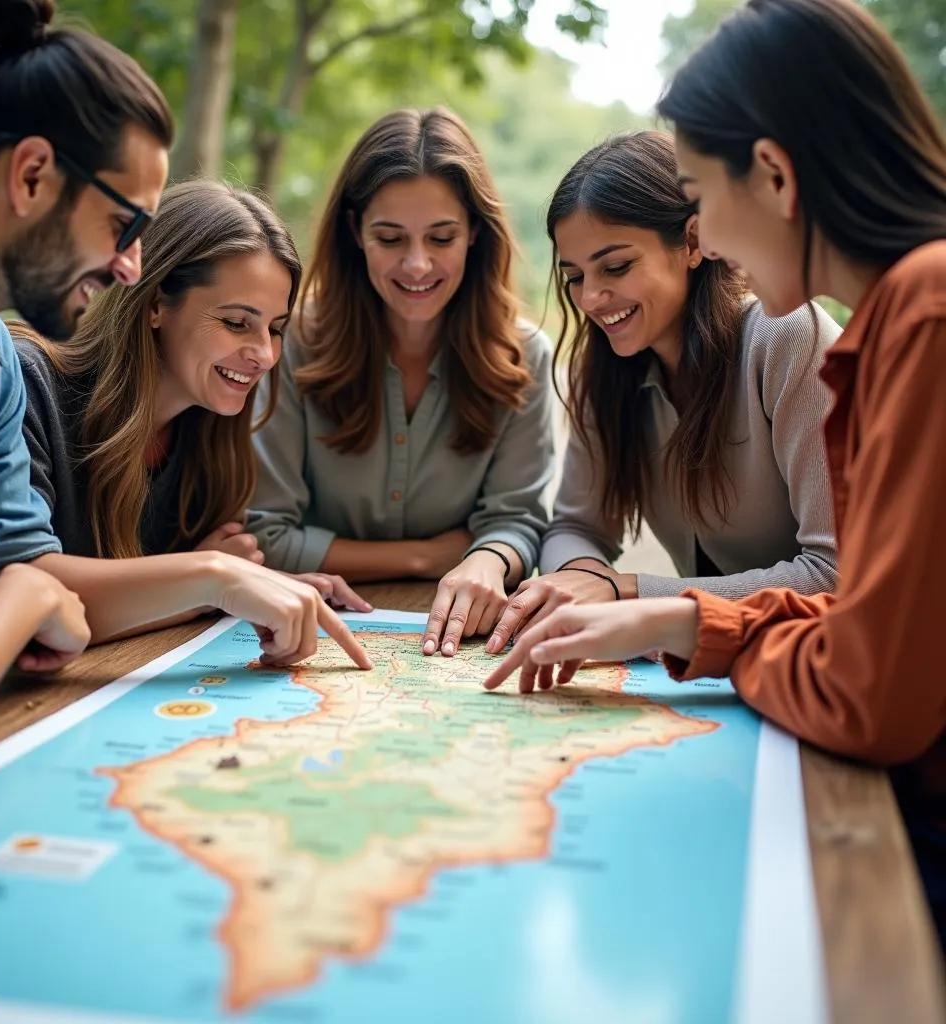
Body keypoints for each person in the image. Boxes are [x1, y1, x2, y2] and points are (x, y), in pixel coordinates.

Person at [484, 0, 946, 947]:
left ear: (771, 175)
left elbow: (869, 680)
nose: (707, 233)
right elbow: (872, 638)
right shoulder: (902, 317)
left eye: (699, 196)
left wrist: (692, 625)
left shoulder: (888, 326)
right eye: (574, 277)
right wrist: (642, 603)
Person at [0, 0, 366, 747]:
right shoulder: (22, 373)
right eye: (124, 224)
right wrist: (35, 590)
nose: (130, 264)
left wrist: (31, 590)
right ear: (31, 175)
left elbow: (8, 584)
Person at [486, 130, 840, 656]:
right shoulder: (602, 370)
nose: (590, 297)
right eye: (574, 276)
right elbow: (574, 525)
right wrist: (579, 575)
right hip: (715, 666)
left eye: (616, 266)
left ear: (694, 242)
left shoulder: (789, 337)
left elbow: (834, 575)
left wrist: (623, 589)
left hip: (821, 661)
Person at [249, 107, 555, 658]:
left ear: (476, 235)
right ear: (354, 232)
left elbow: (516, 523)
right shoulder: (287, 344)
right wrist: (428, 556)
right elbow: (265, 537)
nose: (417, 265)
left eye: (442, 237)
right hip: (314, 628)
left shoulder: (526, 356)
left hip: (462, 637)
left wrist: (484, 558)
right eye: (390, 238)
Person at [11, 179, 369, 620]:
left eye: (276, 329)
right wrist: (209, 580)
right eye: (237, 322)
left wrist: (249, 587)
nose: (265, 355)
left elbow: (193, 584)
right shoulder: (26, 386)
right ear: (157, 304)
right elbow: (15, 591)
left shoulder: (211, 437)